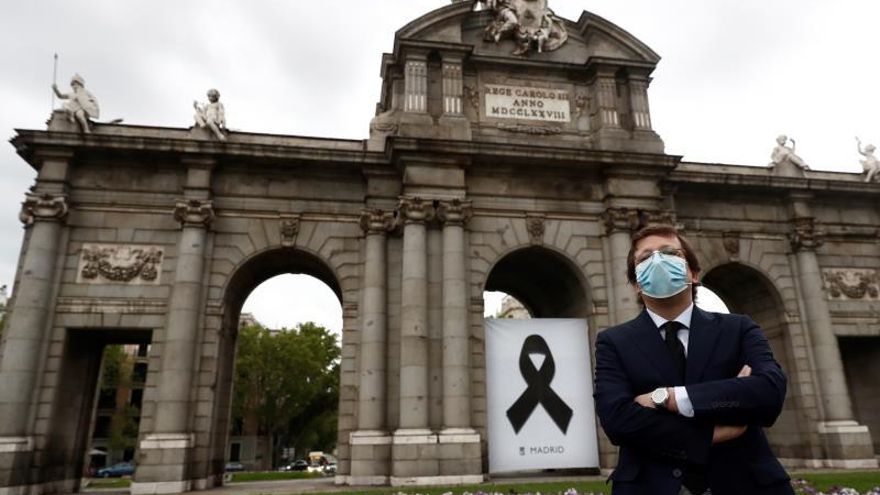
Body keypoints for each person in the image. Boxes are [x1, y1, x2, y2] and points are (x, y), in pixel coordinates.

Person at [594, 224, 793, 495]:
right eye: (644, 258)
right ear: (635, 284)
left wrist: (669, 398)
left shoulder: (739, 328)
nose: (658, 261)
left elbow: (768, 392)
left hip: (744, 483)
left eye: (669, 253)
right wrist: (710, 433)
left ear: (694, 273)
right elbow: (618, 421)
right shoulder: (613, 342)